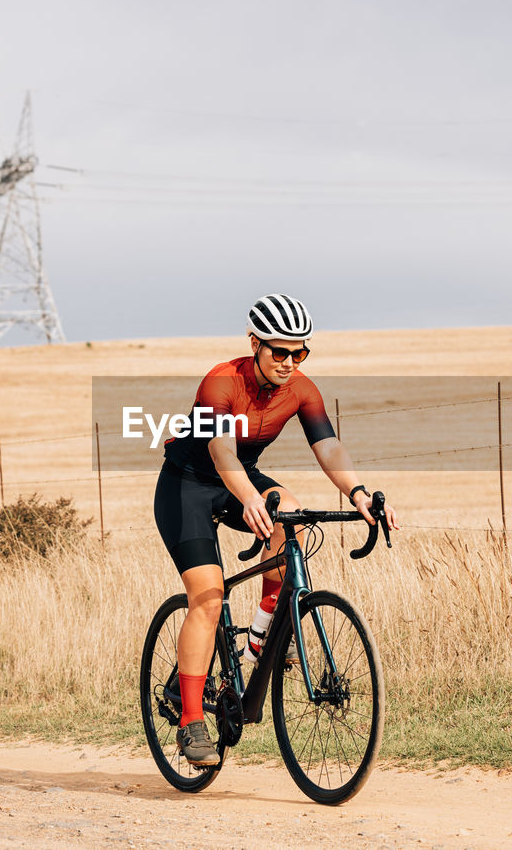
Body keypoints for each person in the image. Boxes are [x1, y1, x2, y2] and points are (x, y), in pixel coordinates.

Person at [152, 293, 400, 767]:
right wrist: (247, 499)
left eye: (299, 352)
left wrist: (360, 494)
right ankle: (190, 722)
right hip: (187, 486)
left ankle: (264, 634)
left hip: (239, 479)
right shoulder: (221, 382)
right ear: (255, 344)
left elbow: (328, 447)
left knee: (293, 513)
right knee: (208, 597)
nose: (290, 362)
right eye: (279, 352)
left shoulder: (301, 389)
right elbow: (222, 453)